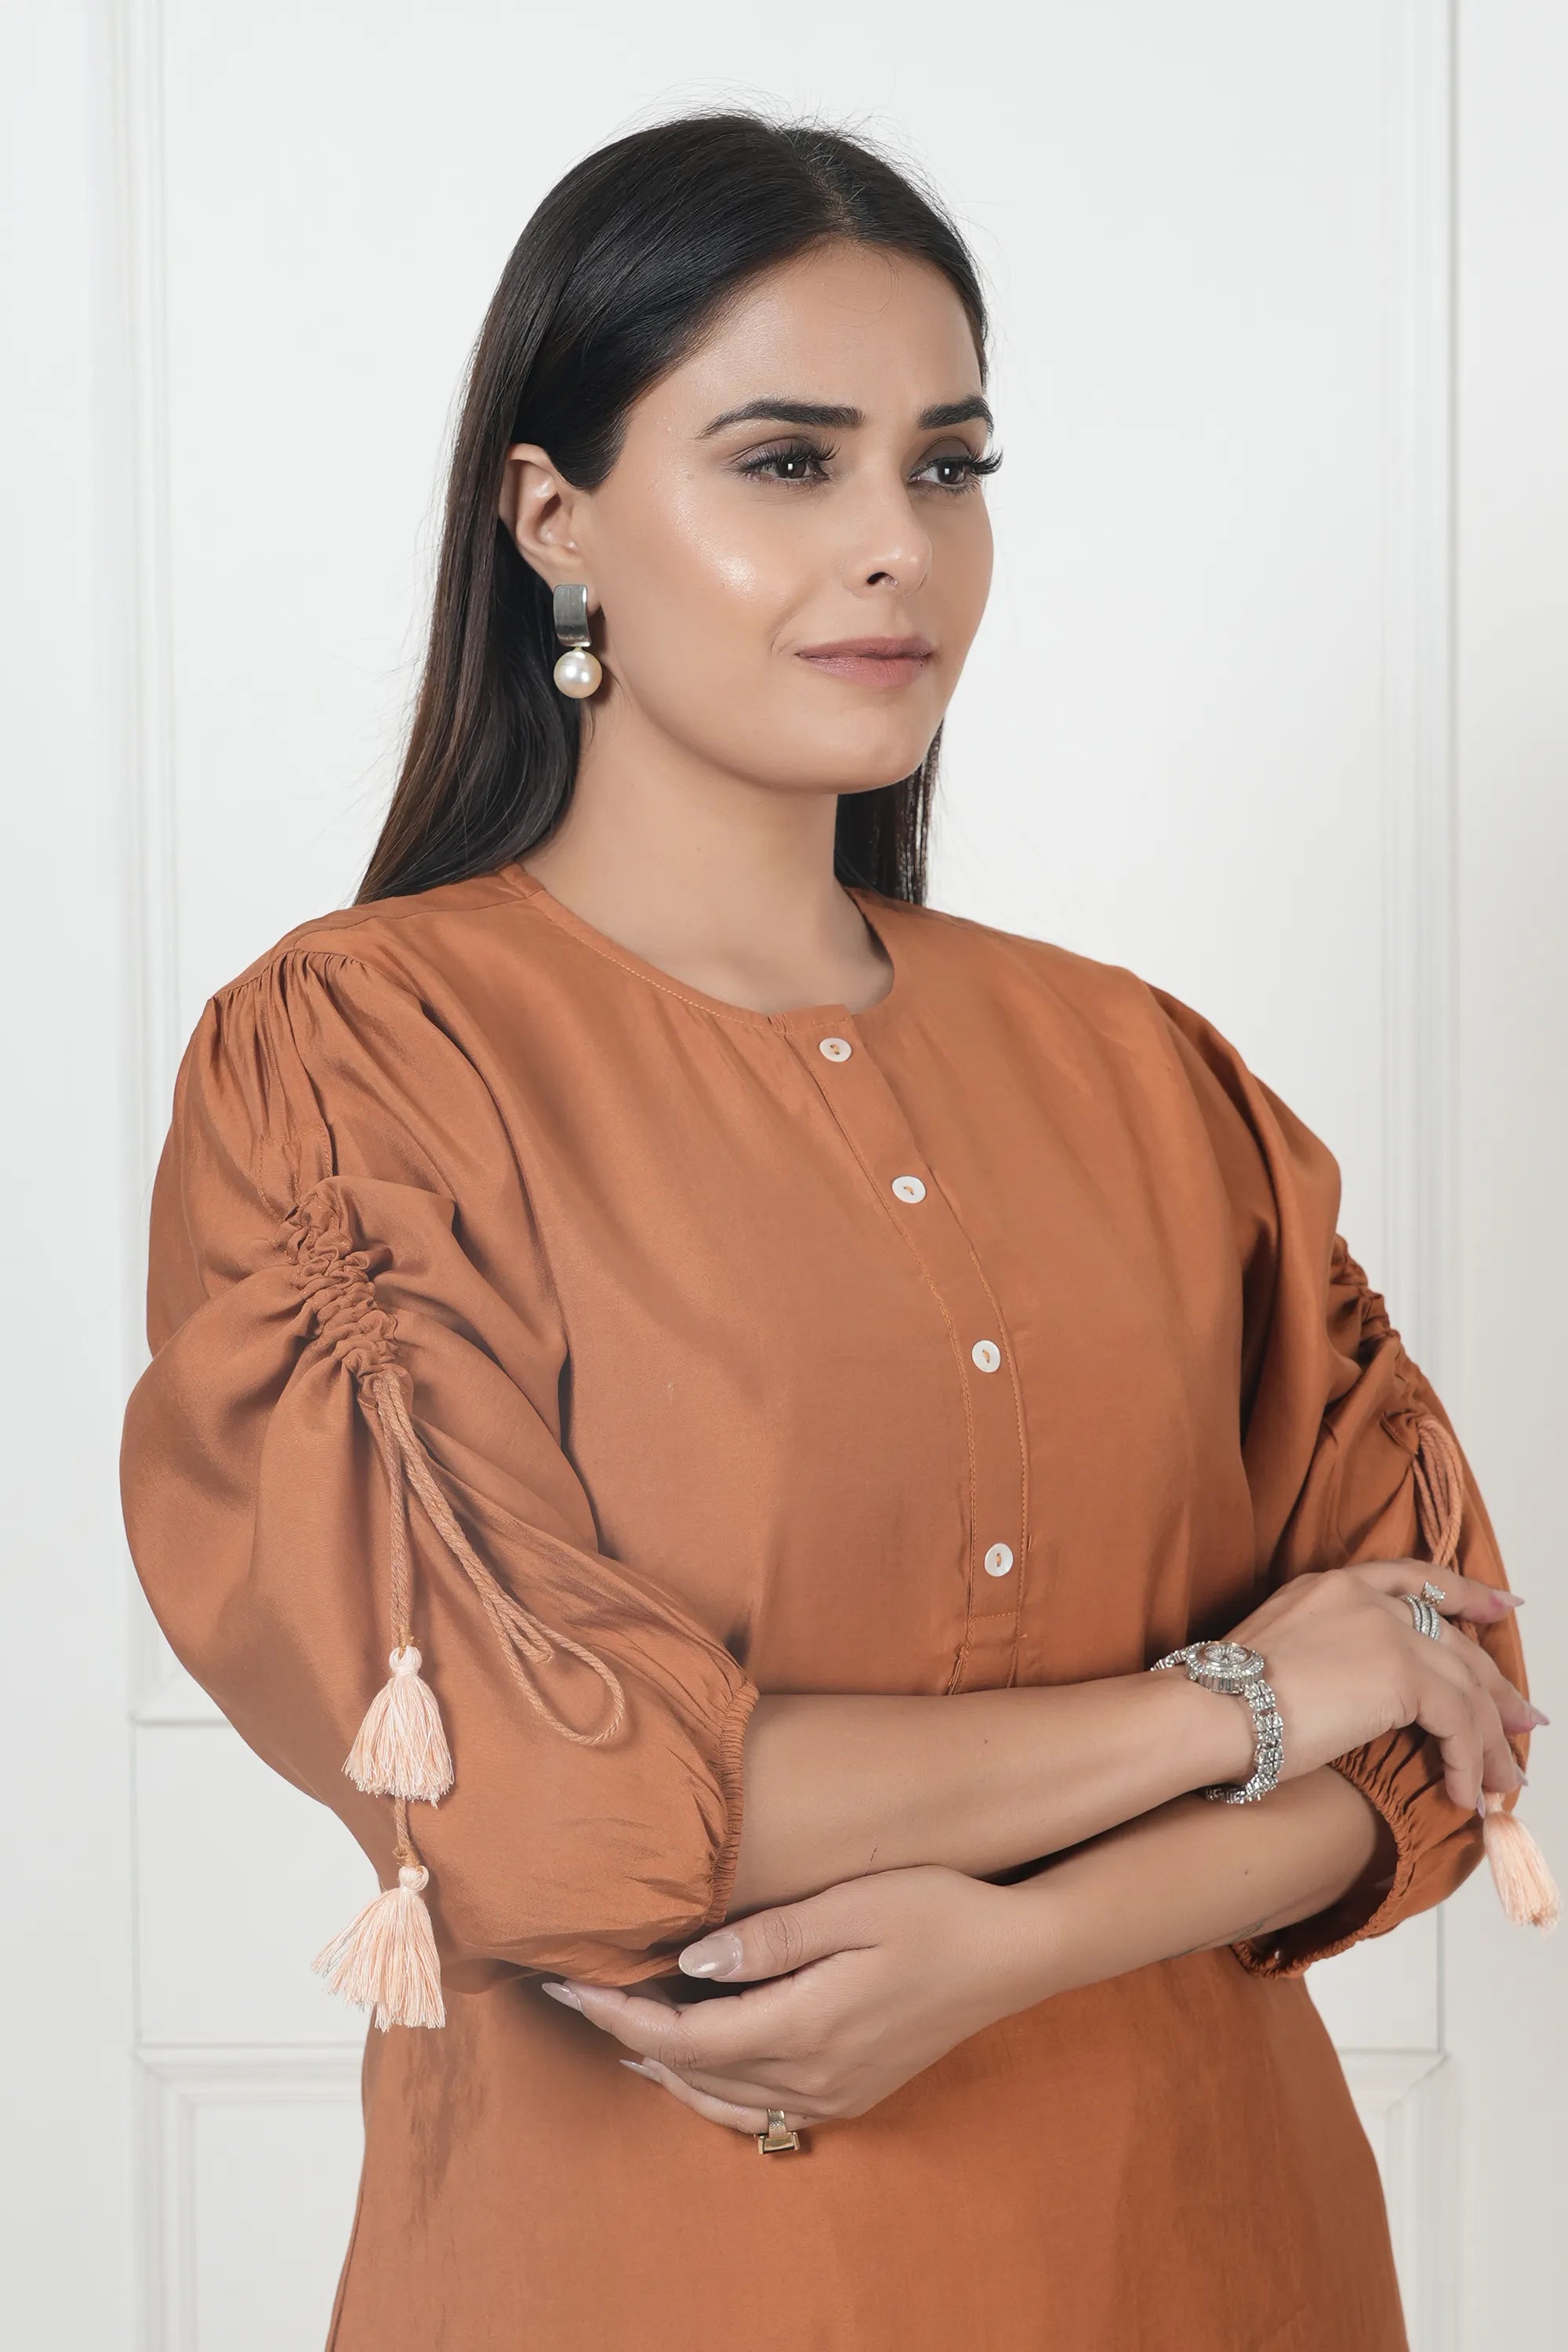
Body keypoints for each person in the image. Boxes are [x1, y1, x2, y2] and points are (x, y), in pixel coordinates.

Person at [118, 110, 1554, 2352]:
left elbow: (1439, 1723)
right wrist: (1245, 1702)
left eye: (949, 466)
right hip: (655, 2277)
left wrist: (1018, 1944)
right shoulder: (365, 1064)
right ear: (553, 517)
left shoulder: (1147, 1071)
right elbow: (527, 1787)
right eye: (787, 462)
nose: (899, 546)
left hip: (1218, 2254)